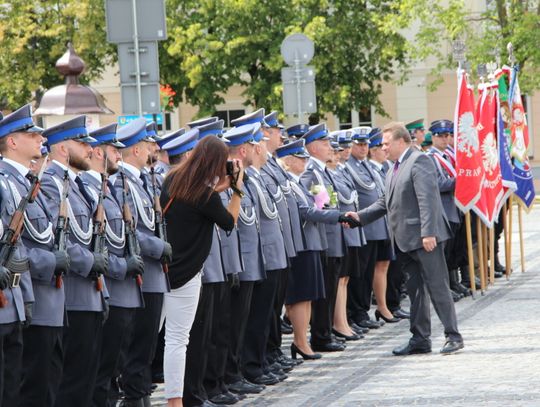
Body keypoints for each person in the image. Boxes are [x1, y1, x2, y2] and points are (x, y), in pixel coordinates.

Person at [346, 122, 464, 356]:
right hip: (404, 240)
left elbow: (427, 198)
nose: (383, 147)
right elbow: (385, 202)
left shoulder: (419, 161)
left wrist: (428, 232)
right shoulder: (394, 167)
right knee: (415, 290)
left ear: (401, 141)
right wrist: (359, 217)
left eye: (387, 143)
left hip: (424, 238)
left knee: (437, 286)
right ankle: (420, 338)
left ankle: (453, 336)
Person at [159, 135, 242, 407]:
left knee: (153, 337)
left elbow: (189, 202)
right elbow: (228, 221)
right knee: (177, 340)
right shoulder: (205, 195)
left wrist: (218, 189)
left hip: (163, 269)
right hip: (187, 273)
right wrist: (236, 190)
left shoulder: (172, 179)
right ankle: (174, 401)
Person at [40, 116, 110, 407]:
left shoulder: (78, 185)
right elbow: (59, 239)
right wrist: (90, 261)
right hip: (73, 295)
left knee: (87, 378)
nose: (90, 150)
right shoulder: (50, 183)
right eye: (81, 144)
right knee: (72, 382)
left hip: (91, 294)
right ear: (62, 149)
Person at [85, 124, 146, 407]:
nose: (119, 157)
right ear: (98, 152)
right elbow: (94, 241)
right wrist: (122, 267)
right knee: (99, 369)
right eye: (114, 150)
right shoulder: (89, 188)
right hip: (107, 285)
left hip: (122, 287)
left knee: (114, 363)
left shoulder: (108, 187)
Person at [114, 118, 171, 407]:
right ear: (136, 149)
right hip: (141, 274)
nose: (155, 149)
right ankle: (134, 395)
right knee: (137, 341)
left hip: (154, 273)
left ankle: (141, 391)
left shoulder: (142, 181)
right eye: (150, 144)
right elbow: (131, 229)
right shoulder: (121, 182)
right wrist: (160, 246)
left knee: (148, 340)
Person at [0, 106, 41, 407]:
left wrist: (25, 297)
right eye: (32, 134)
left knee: (12, 385)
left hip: (11, 302)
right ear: (11, 141)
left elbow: (17, 248)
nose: (39, 138)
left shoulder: (15, 184)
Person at [300, 123, 347, 353]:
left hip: (333, 235)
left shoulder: (322, 171)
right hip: (325, 238)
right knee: (325, 290)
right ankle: (321, 335)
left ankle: (326, 332)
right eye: (325, 143)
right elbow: (322, 206)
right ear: (312, 147)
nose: (330, 148)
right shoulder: (311, 173)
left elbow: (330, 202)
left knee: (330, 287)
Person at [344, 127, 386, 330]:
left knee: (368, 272)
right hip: (362, 226)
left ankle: (363, 310)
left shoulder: (366, 165)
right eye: (359, 144)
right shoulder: (349, 166)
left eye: (365, 144)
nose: (363, 148)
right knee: (359, 275)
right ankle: (357, 312)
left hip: (374, 226)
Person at [366, 128, 400, 324]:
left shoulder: (385, 167)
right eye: (379, 147)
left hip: (387, 225)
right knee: (375, 268)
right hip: (375, 226)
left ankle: (387, 305)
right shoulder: (369, 168)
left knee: (387, 266)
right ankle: (382, 306)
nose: (384, 150)